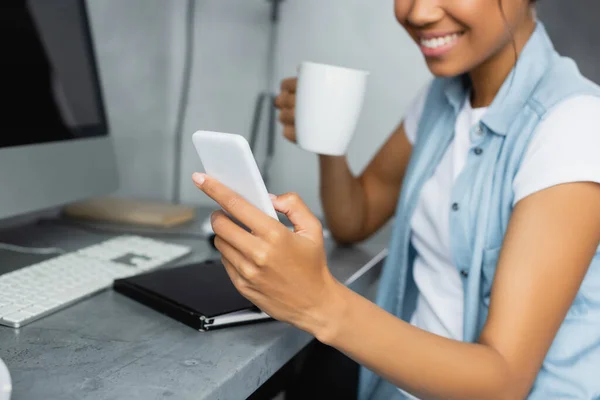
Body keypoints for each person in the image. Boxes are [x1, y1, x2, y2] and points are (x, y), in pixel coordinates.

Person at [192, 0, 600, 398]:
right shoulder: (441, 99)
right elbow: (356, 217)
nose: (418, 12)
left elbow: (503, 382)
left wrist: (318, 301)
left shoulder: (573, 125)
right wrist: (326, 134)